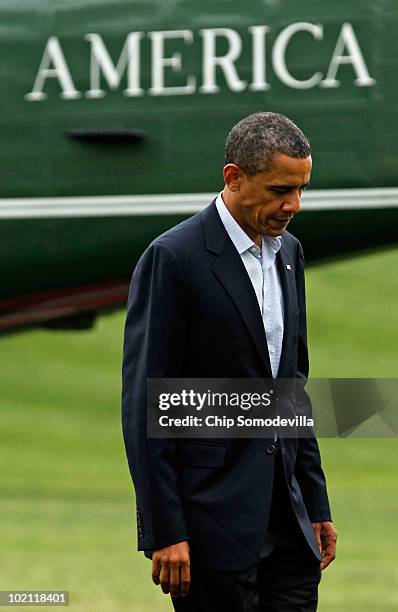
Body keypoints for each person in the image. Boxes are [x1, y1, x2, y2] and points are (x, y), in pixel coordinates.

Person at [122, 112, 337, 611]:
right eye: (282, 188)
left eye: (303, 189)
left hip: (288, 526)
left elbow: (291, 391)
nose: (294, 205)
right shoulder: (173, 258)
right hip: (210, 529)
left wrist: (315, 504)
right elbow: (144, 406)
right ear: (234, 177)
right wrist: (164, 530)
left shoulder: (290, 253)